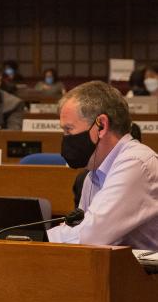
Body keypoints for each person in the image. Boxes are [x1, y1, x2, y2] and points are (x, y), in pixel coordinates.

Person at [48, 81, 158, 249]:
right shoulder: (93, 174)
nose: (65, 138)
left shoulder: (136, 163)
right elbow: (78, 231)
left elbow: (91, 236)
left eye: (69, 130)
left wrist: (37, 237)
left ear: (101, 125)